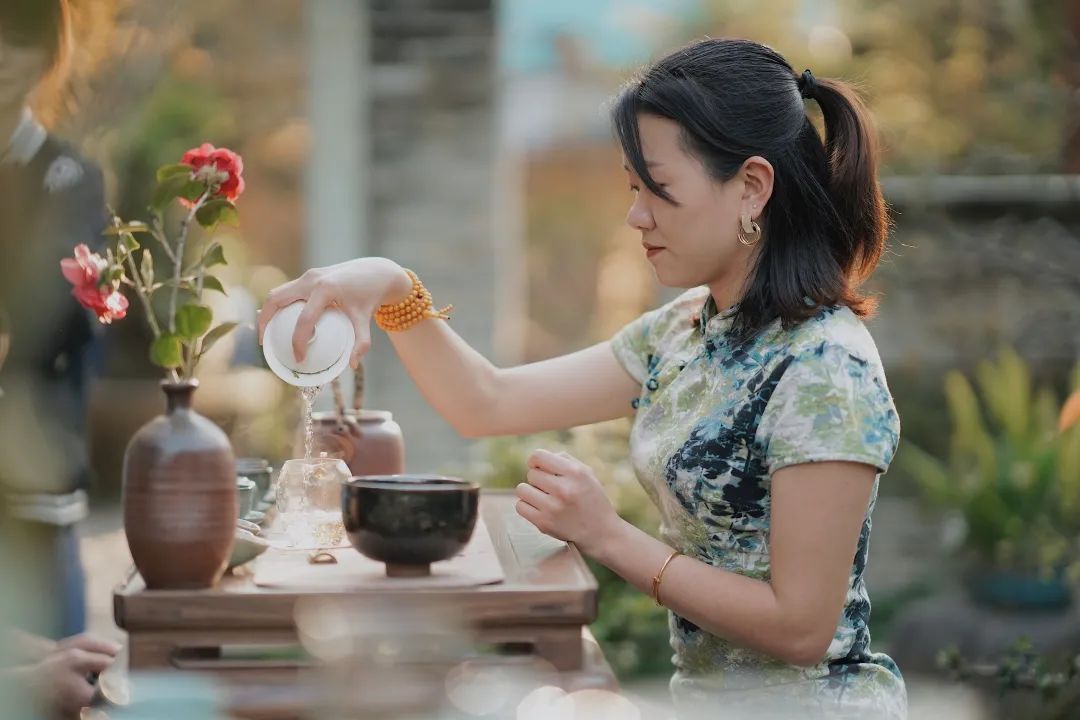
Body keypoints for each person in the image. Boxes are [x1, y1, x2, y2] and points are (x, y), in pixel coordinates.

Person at [260, 38, 905, 719]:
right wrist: (389, 284)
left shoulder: (826, 368)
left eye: (657, 189)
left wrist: (605, 534)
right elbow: (487, 401)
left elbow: (801, 629)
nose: (636, 215)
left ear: (751, 186)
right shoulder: (687, 330)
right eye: (633, 188)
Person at [0, 0, 107, 639]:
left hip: (29, 487)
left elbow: (39, 316)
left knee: (55, 687)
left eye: (16, 39)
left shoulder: (67, 179)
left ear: (47, 58)